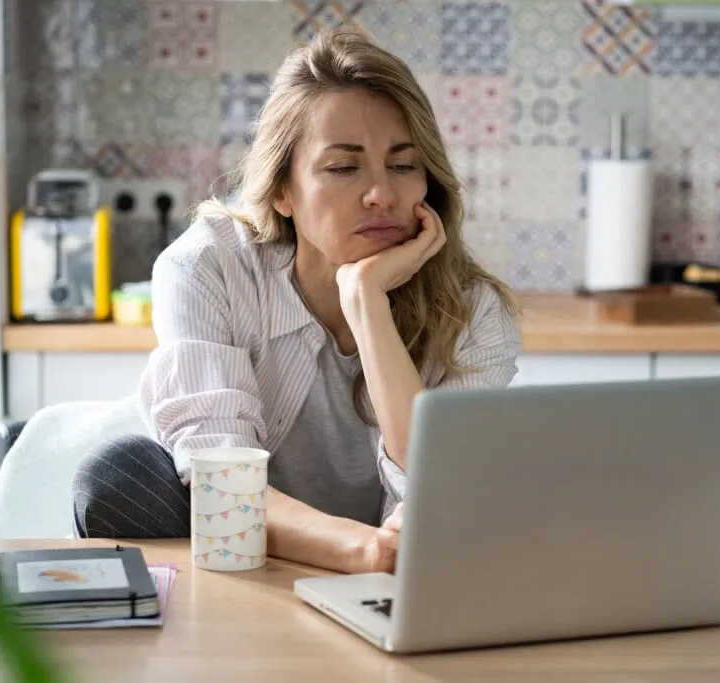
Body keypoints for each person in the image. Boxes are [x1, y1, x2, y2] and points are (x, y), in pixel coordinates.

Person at [72, 27, 522, 574]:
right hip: (246, 557)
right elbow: (223, 481)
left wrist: (366, 302)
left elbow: (440, 485)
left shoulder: (473, 310)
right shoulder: (208, 266)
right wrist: (363, 549)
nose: (381, 194)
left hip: (400, 579)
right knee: (119, 474)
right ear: (282, 189)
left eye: (404, 165)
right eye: (343, 167)